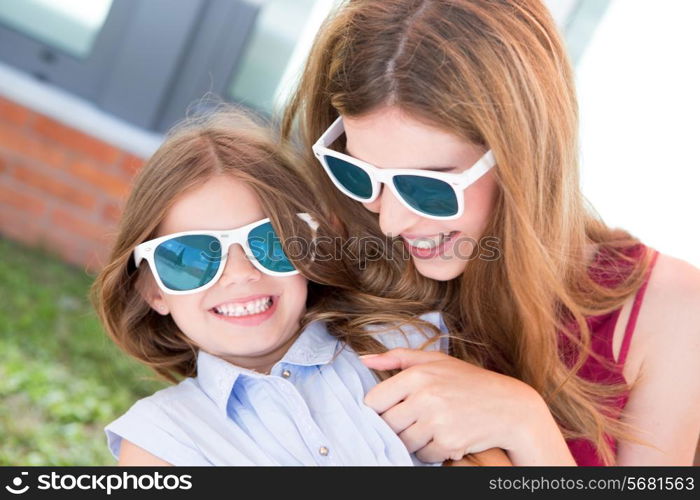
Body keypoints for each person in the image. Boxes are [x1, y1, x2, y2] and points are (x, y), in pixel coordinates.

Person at [283, 0, 700, 465]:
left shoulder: (672, 307)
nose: (391, 223)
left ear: (524, 157)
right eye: (360, 174)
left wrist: (526, 425)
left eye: (428, 187)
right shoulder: (334, 258)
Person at [92, 110, 509, 466]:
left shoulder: (407, 344)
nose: (239, 275)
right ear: (152, 291)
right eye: (190, 257)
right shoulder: (159, 442)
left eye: (270, 242)